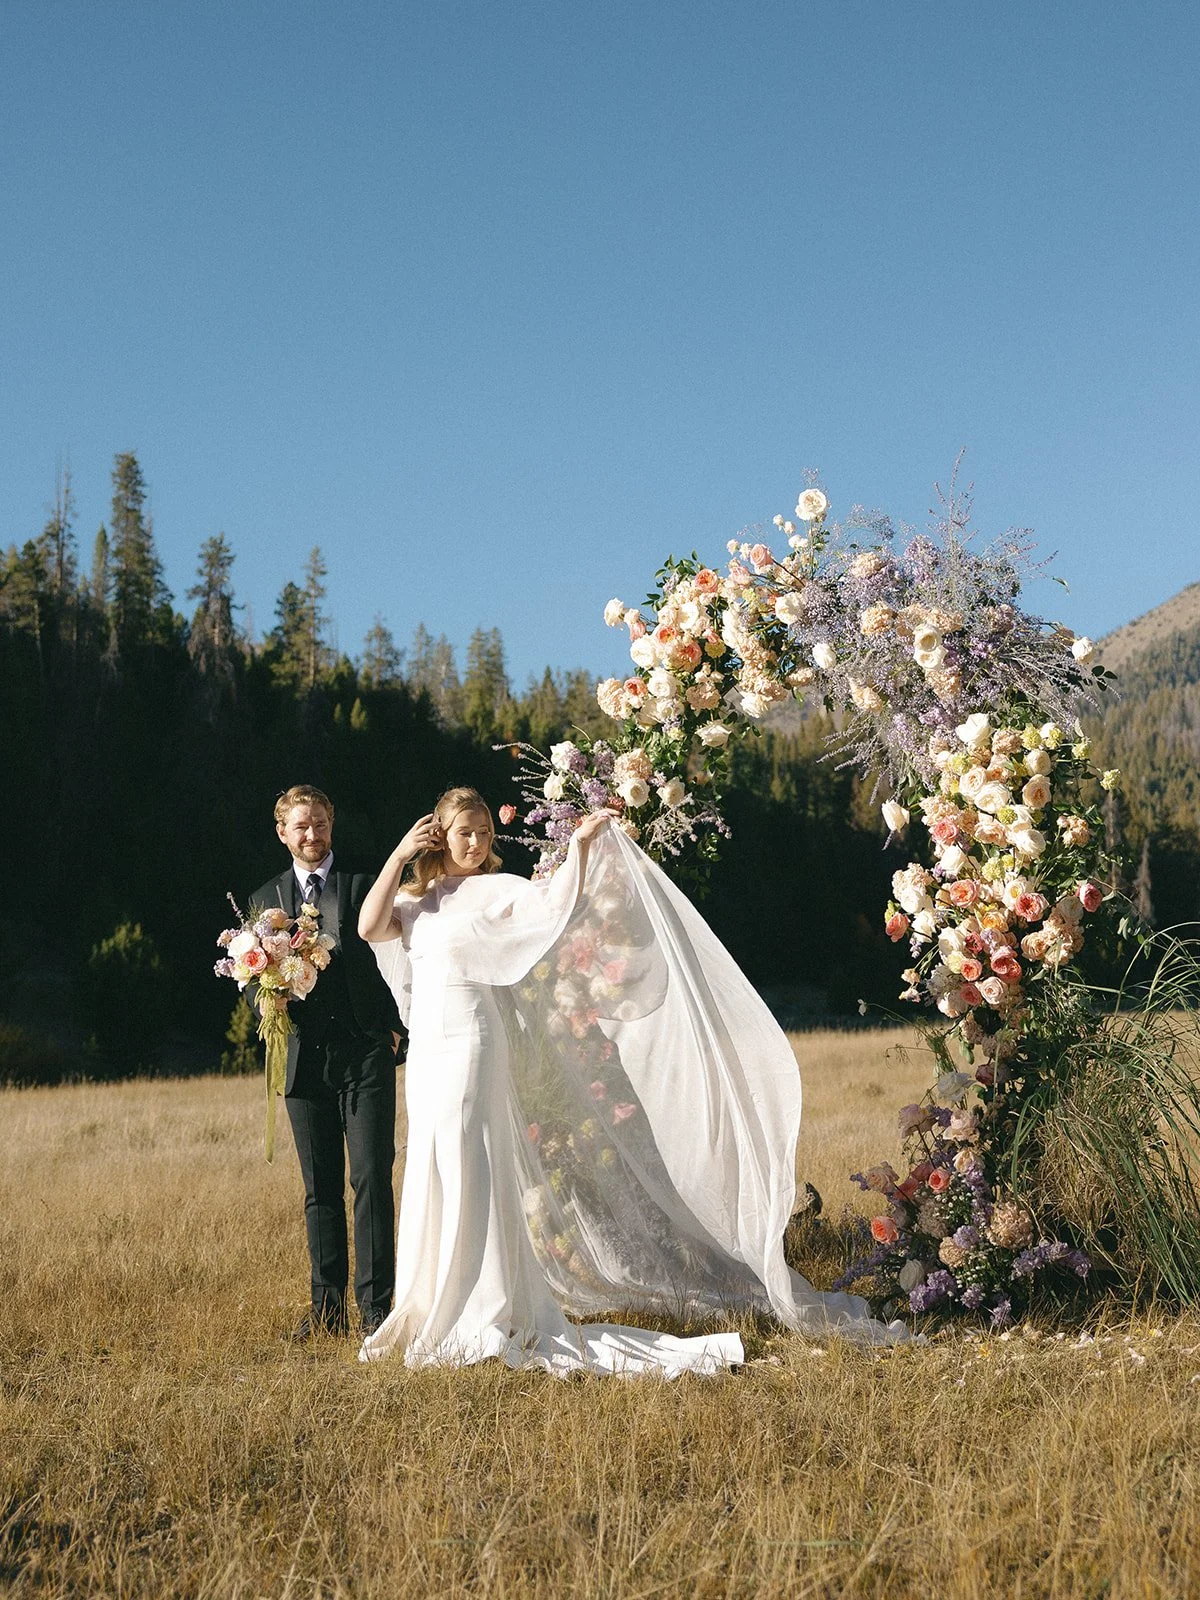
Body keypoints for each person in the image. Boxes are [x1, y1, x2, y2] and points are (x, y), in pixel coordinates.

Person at [356, 786, 905, 1376]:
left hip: (471, 1043)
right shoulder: (417, 902)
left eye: (485, 832)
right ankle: (431, 1300)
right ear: (439, 834)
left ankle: (481, 1305)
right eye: (464, 832)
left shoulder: (502, 891)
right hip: (429, 1055)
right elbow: (368, 928)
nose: (476, 842)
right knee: (431, 1166)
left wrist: (582, 848)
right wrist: (399, 854)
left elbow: (556, 905)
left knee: (471, 1160)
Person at [253, 784, 402, 1339]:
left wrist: (394, 1029)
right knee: (320, 1188)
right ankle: (327, 1309)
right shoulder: (262, 897)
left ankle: (378, 1310)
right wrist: (264, 994)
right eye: (301, 826)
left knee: (371, 1179)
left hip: (366, 1054)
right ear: (283, 833)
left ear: (331, 825)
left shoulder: (364, 885)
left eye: (320, 823)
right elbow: (249, 978)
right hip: (301, 1063)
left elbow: (399, 954)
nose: (312, 834)